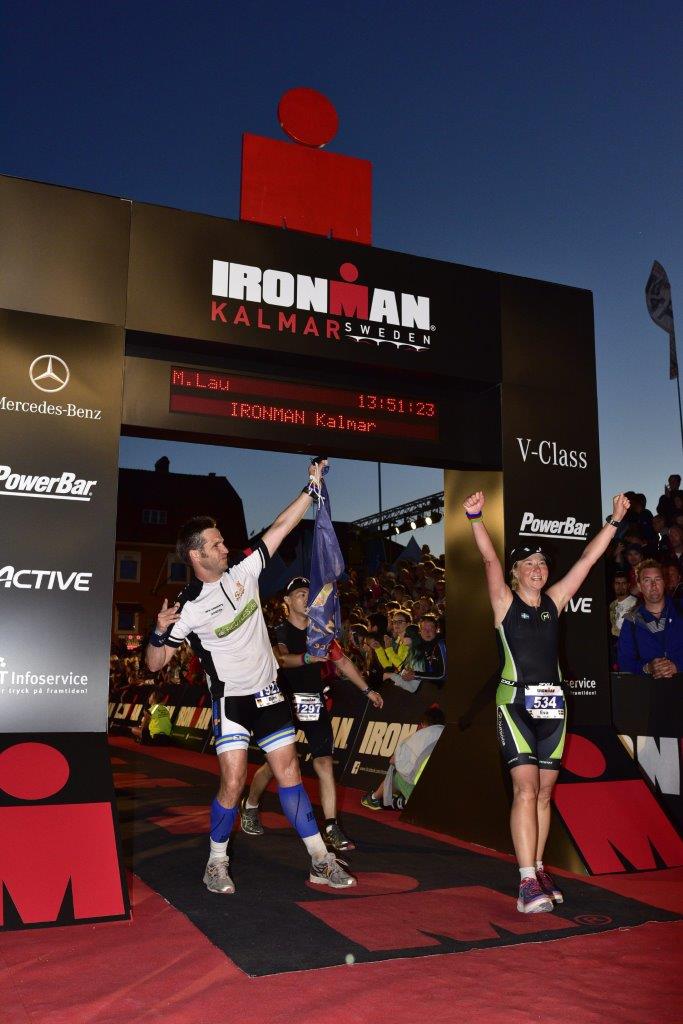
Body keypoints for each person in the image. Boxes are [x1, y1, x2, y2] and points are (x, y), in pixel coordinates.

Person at [145, 459, 356, 894]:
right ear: (196, 555)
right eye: (216, 544)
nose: (225, 547)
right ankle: (216, 862)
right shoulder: (188, 606)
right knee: (233, 782)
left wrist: (310, 488)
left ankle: (320, 859)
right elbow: (154, 664)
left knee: (290, 774)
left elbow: (280, 526)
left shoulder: (244, 568)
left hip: (269, 693)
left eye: (223, 541)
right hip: (231, 702)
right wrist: (158, 632)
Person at [463, 488, 630, 914]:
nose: (537, 569)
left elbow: (587, 560)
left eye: (542, 563)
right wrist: (477, 518)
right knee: (524, 788)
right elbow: (489, 560)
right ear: (516, 573)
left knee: (543, 794)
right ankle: (524, 882)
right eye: (529, 564)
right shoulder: (504, 602)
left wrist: (613, 520)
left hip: (554, 707)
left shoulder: (554, 602)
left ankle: (537, 868)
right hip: (515, 705)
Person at [240, 576, 383, 850]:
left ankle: (331, 826)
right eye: (300, 594)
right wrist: (307, 658)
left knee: (324, 762)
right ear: (287, 601)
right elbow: (281, 658)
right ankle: (251, 805)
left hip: (312, 702)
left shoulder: (321, 632)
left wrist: (367, 691)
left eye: (309, 594)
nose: (306, 598)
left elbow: (343, 662)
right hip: (282, 702)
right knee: (274, 766)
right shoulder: (278, 631)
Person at [361, 705, 445, 810]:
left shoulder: (416, 738)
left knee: (395, 771)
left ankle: (375, 798)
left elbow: (392, 760)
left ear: (423, 724)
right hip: (444, 790)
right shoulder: (450, 736)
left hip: (422, 793)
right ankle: (399, 801)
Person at [617, 560, 683, 676]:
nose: (653, 585)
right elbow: (624, 662)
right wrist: (647, 668)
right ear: (639, 586)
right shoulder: (632, 621)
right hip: (649, 686)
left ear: (664, 582)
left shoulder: (680, 610)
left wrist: (677, 666)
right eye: (647, 580)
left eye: (657, 579)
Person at [609, 571, 638, 665]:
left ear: (628, 585)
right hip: (614, 646)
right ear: (613, 585)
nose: (620, 586)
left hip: (630, 645)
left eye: (623, 583)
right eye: (617, 583)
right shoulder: (612, 605)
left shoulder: (636, 603)